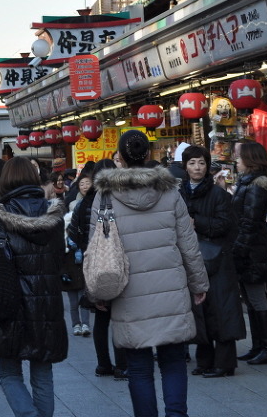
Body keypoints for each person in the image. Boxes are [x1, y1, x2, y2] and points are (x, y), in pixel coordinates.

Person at [94, 130, 209, 417]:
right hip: (170, 288)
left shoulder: (105, 196)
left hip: (128, 292)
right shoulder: (171, 191)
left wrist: (96, 291)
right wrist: (198, 283)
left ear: (119, 157)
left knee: (139, 367)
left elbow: (96, 248)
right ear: (147, 155)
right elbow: (188, 243)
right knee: (173, 362)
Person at [0, 156, 67, 417]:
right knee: (43, 372)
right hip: (46, 303)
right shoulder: (54, 214)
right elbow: (58, 259)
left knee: (8, 372)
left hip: (10, 302)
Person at [181, 145, 245, 378]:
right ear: (185, 167)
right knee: (199, 310)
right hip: (191, 258)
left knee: (221, 310)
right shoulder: (180, 193)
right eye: (192, 163)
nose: (197, 168)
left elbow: (226, 225)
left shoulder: (219, 194)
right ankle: (204, 360)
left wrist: (196, 222)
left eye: (201, 163)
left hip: (218, 259)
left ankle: (225, 363)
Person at [229, 140, 267, 366]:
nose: (236, 161)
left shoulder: (257, 186)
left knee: (257, 299)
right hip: (247, 249)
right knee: (251, 301)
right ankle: (258, 346)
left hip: (251, 251)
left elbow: (249, 223)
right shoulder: (247, 183)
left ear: (249, 160)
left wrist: (238, 250)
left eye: (239, 157)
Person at [69, 157, 126, 378]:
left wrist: (86, 248)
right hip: (116, 262)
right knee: (119, 316)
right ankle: (122, 365)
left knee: (101, 317)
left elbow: (73, 231)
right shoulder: (118, 199)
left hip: (92, 263)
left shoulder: (86, 201)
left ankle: (103, 364)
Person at [62, 168, 91, 338]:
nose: (85, 185)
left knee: (84, 296)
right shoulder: (71, 211)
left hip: (83, 261)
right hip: (70, 265)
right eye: (82, 183)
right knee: (73, 300)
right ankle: (76, 324)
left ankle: (85, 324)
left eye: (88, 182)